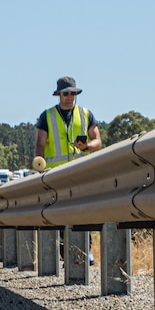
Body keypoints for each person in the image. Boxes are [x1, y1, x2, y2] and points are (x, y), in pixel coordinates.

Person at [35, 76, 102, 265]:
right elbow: (40, 142)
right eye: (66, 93)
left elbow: (97, 141)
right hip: (55, 174)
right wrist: (40, 165)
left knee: (83, 212)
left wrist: (87, 145)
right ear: (58, 95)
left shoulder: (86, 114)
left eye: (73, 93)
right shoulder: (46, 116)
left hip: (80, 172)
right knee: (60, 213)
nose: (69, 97)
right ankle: (65, 252)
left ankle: (85, 250)